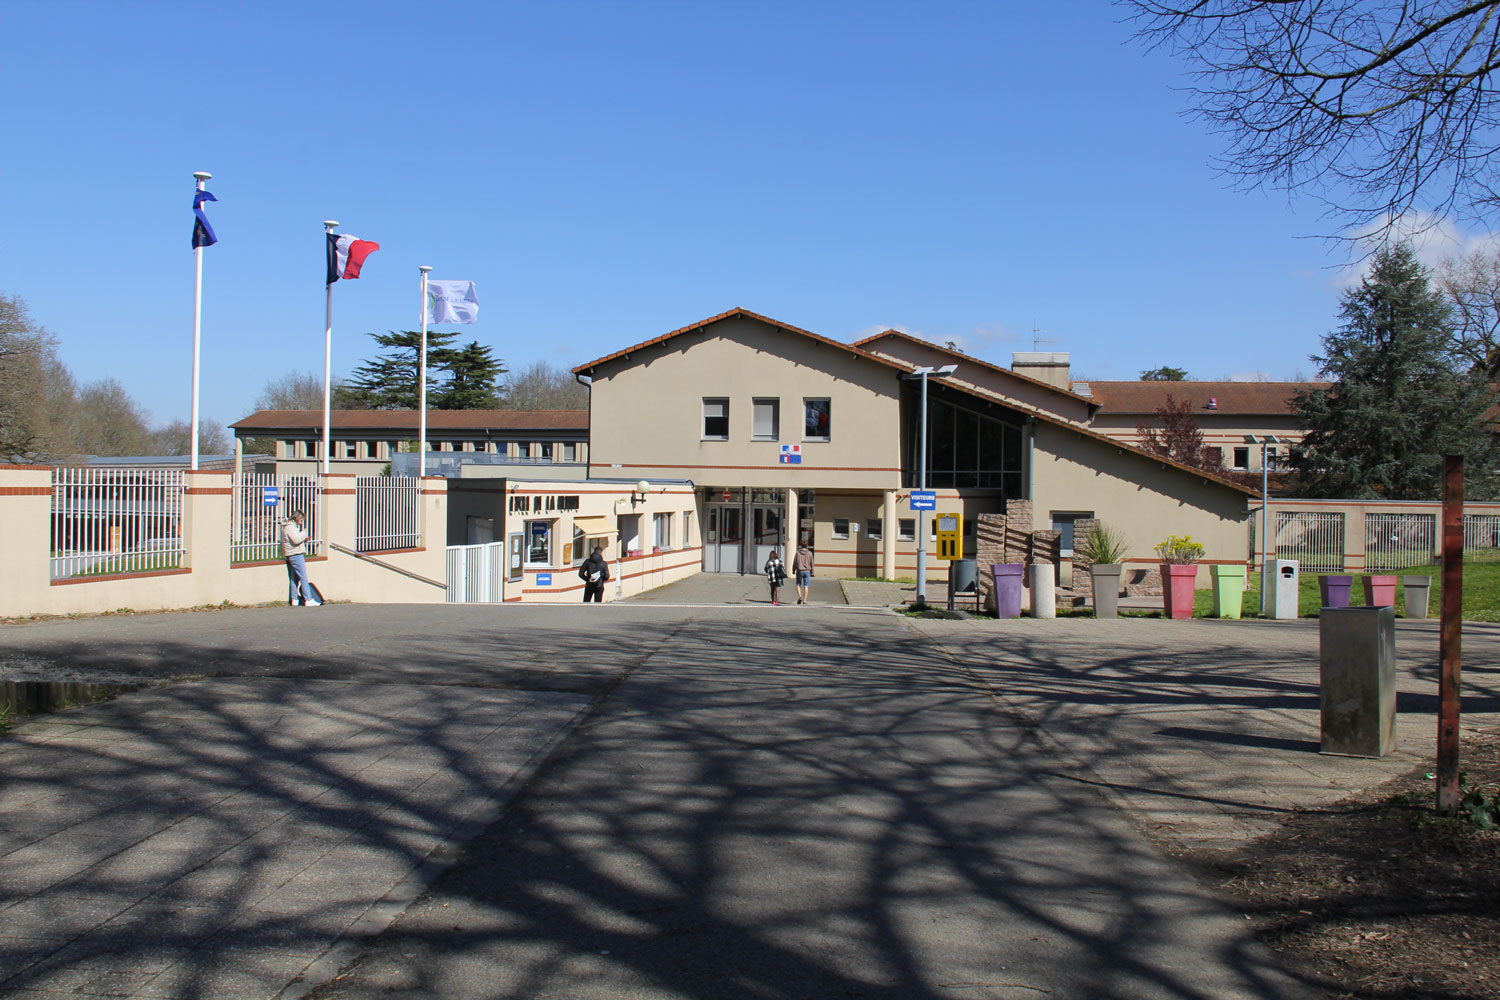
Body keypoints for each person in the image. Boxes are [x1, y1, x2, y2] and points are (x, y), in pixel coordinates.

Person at [280, 510, 321, 607]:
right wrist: (304, 533)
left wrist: (303, 538)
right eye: (301, 520)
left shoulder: (289, 527)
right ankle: (308, 598)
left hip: (292, 553)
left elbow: (295, 540)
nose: (301, 522)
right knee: (303, 577)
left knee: (295, 578)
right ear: (297, 518)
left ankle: (294, 599)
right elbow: (296, 540)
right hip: (296, 554)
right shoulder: (290, 528)